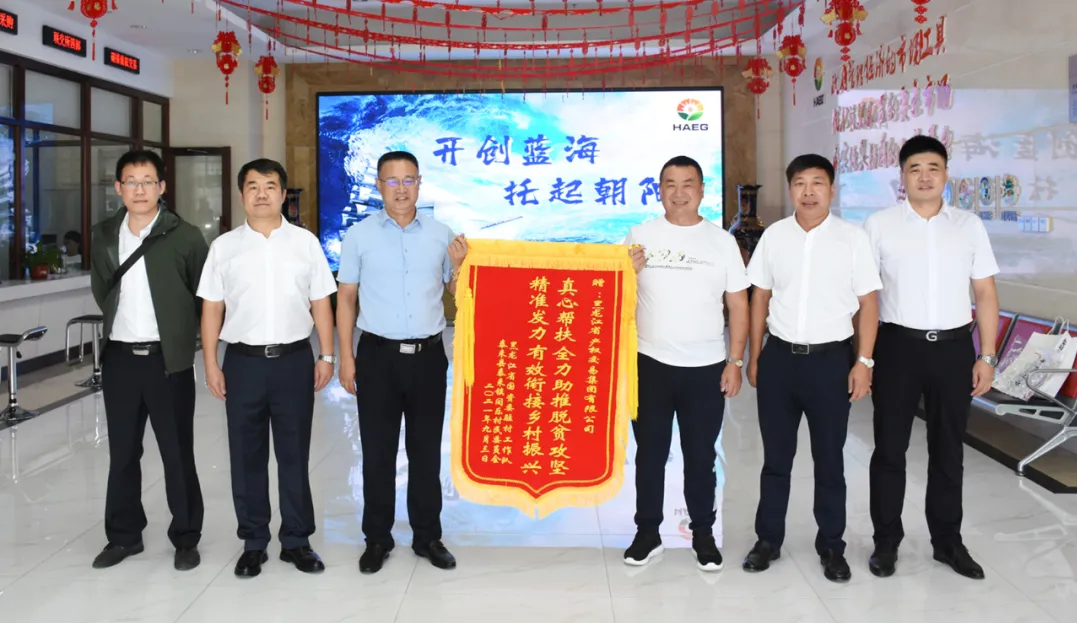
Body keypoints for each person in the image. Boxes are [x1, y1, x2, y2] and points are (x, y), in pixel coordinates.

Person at [863, 136, 997, 580]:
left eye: (933, 168)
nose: (924, 176)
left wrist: (987, 355)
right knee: (889, 449)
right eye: (915, 169)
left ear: (946, 174)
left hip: (954, 349)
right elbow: (863, 296)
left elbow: (985, 292)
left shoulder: (968, 226)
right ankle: (886, 541)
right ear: (902, 176)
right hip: (897, 347)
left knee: (948, 449)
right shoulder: (879, 225)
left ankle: (948, 542)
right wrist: (863, 357)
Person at [743, 154, 881, 583]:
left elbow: (869, 304)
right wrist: (755, 354)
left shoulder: (853, 239)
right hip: (780, 360)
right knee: (775, 459)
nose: (808, 192)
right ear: (790, 190)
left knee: (829, 460)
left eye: (817, 182)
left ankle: (832, 546)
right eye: (800, 183)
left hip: (831, 362)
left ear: (832, 189)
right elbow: (760, 297)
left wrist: (864, 361)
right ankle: (768, 540)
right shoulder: (774, 236)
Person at [199, 159, 338, 578]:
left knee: (294, 454)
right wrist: (211, 363)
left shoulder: (305, 243)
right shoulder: (224, 247)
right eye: (253, 186)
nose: (262, 194)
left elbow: (320, 301)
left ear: (282, 193)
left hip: (294, 361)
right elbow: (212, 308)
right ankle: (254, 541)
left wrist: (326, 355)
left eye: (270, 186)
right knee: (247, 456)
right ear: (241, 193)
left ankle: (296, 541)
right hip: (242, 363)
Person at [336, 150, 468, 574]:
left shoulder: (441, 234)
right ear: (378, 185)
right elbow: (346, 299)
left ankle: (427, 537)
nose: (401, 188)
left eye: (408, 179)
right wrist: (345, 357)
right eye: (391, 180)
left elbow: (457, 291)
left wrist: (460, 266)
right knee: (377, 452)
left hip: (428, 358)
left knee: (426, 452)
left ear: (419, 183)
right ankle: (377, 539)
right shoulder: (359, 235)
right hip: (377, 357)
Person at [620, 155, 750, 572]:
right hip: (649, 365)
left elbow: (738, 304)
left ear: (702, 190)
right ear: (659, 190)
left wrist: (735, 360)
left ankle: (703, 535)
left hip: (706, 367)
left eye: (688, 183)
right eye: (670, 184)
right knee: (650, 455)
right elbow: (614, 295)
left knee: (700, 457)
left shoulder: (721, 241)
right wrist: (626, 273)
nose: (679, 192)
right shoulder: (639, 236)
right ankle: (647, 533)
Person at [88, 150, 209, 571]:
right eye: (131, 181)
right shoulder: (104, 234)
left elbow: (201, 294)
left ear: (162, 187)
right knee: (122, 452)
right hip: (120, 359)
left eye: (147, 181)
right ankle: (124, 536)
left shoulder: (185, 235)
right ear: (118, 188)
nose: (139, 189)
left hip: (167, 361)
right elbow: (103, 290)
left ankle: (186, 537)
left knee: (177, 452)